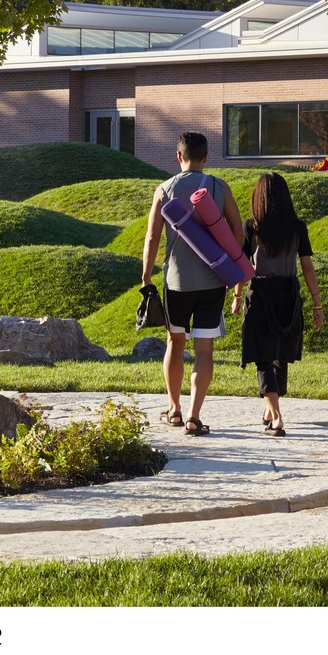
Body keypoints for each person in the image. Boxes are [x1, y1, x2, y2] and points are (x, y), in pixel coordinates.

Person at [142, 132, 243, 436]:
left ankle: (174, 410)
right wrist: (231, 267)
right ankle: (194, 417)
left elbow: (152, 237)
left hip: (176, 282)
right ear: (206, 157)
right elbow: (237, 232)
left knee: (175, 343)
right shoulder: (219, 186)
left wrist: (146, 276)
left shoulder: (164, 189)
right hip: (213, 280)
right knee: (204, 350)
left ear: (178, 156)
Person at [230, 172, 325, 436]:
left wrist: (237, 296)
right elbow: (307, 268)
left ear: (258, 197)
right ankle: (270, 409)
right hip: (288, 294)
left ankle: (276, 416)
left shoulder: (252, 226)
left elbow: (242, 265)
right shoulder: (297, 227)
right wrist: (317, 304)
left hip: (260, 292)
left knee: (263, 356)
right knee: (280, 355)